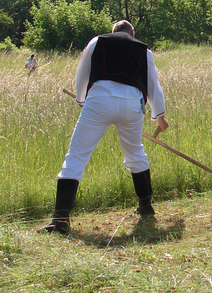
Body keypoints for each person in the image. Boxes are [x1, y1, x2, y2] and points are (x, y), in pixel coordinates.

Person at [42, 20, 169, 234]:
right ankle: (146, 207)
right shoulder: (143, 49)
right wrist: (160, 117)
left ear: (113, 32)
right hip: (132, 104)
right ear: (132, 32)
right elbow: (152, 84)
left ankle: (60, 220)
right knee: (135, 152)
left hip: (99, 101)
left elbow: (82, 71)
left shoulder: (98, 41)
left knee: (76, 157)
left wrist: (81, 98)